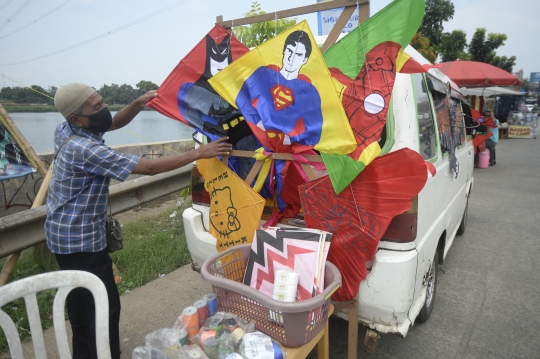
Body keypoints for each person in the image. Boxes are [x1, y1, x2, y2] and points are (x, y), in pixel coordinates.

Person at [45, 83, 232, 359]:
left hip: (62, 235)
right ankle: (105, 354)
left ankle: (84, 354)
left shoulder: (67, 129)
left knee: (81, 307)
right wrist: (198, 153)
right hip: (80, 240)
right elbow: (150, 167)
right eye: (96, 107)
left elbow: (113, 122)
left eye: (102, 102)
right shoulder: (84, 149)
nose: (103, 109)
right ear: (76, 118)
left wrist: (138, 103)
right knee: (104, 307)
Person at [236, 30, 323, 153]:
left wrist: (289, 140)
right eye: (290, 51)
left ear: (305, 59)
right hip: (258, 144)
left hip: (292, 154)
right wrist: (260, 127)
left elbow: (314, 129)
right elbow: (242, 99)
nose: (291, 58)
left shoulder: (309, 91)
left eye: (298, 55)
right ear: (284, 50)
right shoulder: (263, 74)